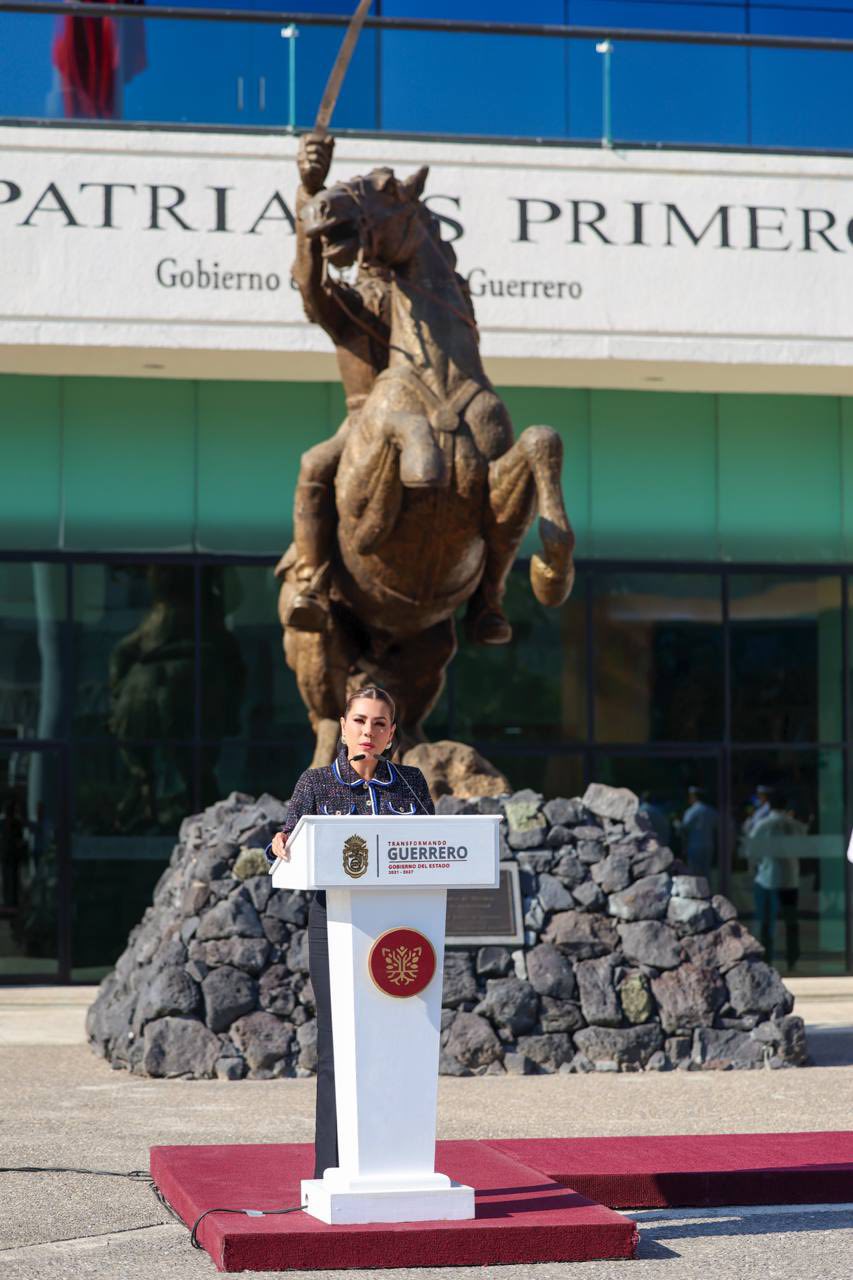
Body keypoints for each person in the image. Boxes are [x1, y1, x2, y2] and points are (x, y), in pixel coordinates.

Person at [265, 686, 434, 1178]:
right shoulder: (316, 784)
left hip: (401, 932)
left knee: (398, 1044)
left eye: (379, 724)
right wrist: (276, 846)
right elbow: (283, 846)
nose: (368, 732)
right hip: (335, 930)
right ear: (343, 726)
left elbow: (432, 846)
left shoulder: (411, 783)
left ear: (392, 734)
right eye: (360, 721)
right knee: (338, 1045)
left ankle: (396, 1163)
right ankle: (332, 1170)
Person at [747, 788, 803, 968]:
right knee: (791, 921)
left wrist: (755, 868)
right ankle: (792, 958)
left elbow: (751, 850)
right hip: (790, 879)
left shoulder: (764, 825)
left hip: (767, 879)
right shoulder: (795, 825)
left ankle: (766, 959)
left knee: (766, 923)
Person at [681, 786, 718, 881]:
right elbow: (716, 826)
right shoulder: (711, 811)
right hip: (708, 845)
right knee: (706, 873)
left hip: (695, 845)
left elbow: (685, 827)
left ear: (694, 797)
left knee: (694, 873)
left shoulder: (691, 811)